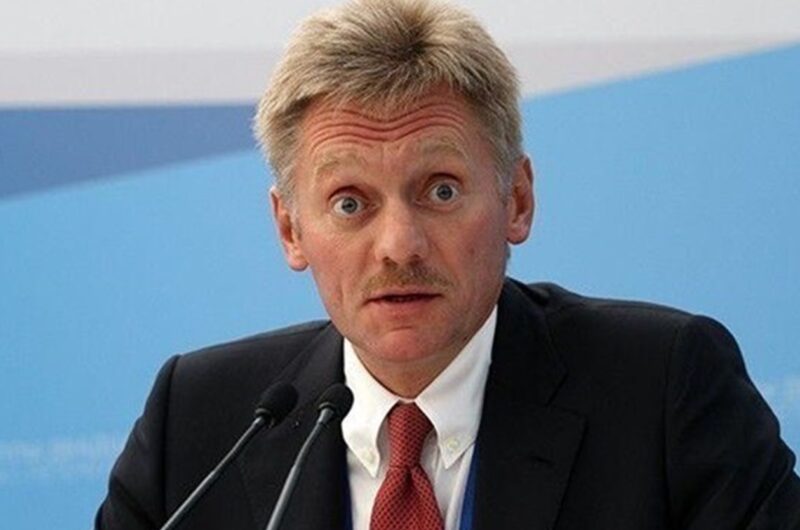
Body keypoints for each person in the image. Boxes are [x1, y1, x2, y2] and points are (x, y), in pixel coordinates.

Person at [95, 0, 800, 528]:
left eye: (440, 191)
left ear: (517, 200)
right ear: (290, 229)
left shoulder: (663, 390)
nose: (399, 245)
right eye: (350, 203)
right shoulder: (200, 425)